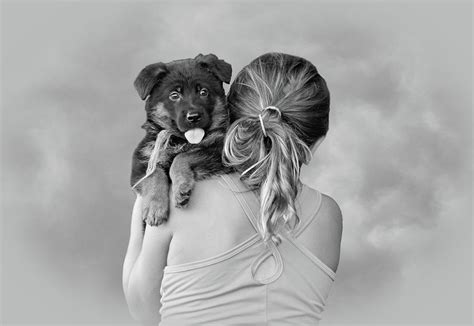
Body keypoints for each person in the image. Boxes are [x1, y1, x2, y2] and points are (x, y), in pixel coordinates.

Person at [123, 52, 342, 325]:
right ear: (317, 142)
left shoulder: (178, 197)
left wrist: (139, 212)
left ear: (232, 117)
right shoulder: (329, 215)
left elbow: (142, 310)